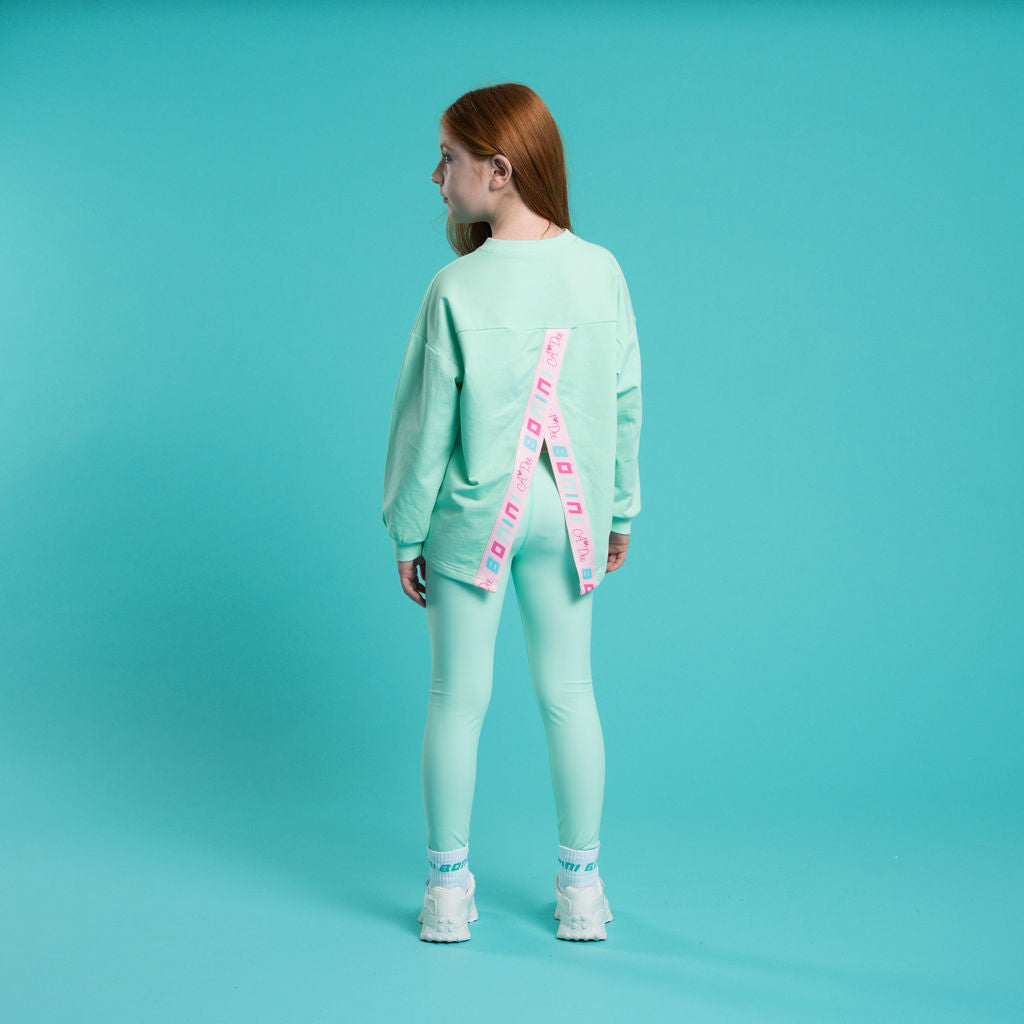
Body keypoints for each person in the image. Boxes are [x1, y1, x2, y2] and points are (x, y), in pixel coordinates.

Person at [381, 83, 642, 943]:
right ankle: (582, 891)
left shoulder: (455, 286)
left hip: (475, 513)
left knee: (456, 698)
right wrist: (619, 509)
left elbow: (425, 426)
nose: (436, 176)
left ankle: (447, 892)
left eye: (447, 159)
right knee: (571, 693)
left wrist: (407, 528)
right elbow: (625, 400)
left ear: (498, 170)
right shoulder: (601, 270)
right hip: (570, 514)